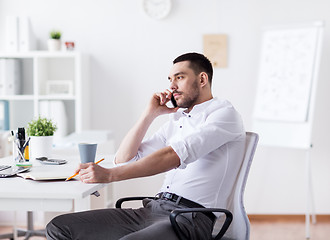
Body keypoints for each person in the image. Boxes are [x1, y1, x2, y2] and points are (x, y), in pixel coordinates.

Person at [46, 52, 246, 240]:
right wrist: (149, 114)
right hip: (154, 208)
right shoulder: (177, 120)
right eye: (170, 79)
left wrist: (109, 175)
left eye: (179, 77)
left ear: (202, 80)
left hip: (191, 218)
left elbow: (172, 156)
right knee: (59, 227)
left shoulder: (223, 114)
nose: (172, 86)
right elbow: (123, 159)